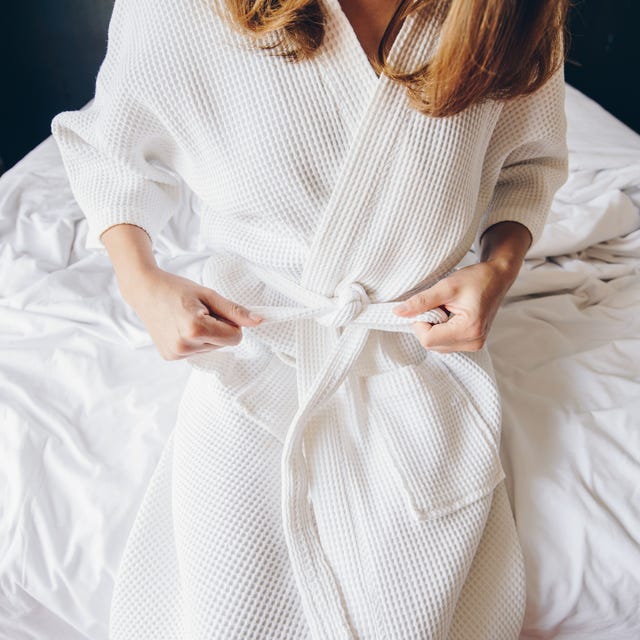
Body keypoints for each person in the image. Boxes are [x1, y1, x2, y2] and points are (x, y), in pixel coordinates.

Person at [51, 0, 570, 637]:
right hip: (256, 340)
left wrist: (496, 272)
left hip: (414, 342)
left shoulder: (510, 14)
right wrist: (143, 284)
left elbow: (530, 166)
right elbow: (108, 150)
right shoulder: (183, 10)